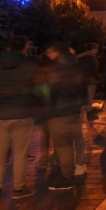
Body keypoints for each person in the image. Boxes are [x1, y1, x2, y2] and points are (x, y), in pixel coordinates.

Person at [0, 35, 40, 200]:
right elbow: (40, 89)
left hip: (0, 115)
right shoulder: (30, 66)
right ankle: (19, 188)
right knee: (20, 154)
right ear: (25, 48)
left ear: (8, 48)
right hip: (22, 114)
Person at [39, 43, 86, 191]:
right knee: (70, 142)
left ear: (58, 52)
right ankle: (70, 170)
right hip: (74, 109)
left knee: (64, 146)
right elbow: (83, 88)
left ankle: (66, 177)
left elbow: (46, 92)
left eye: (51, 52)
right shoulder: (76, 67)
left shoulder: (53, 69)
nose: (48, 55)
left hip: (58, 111)